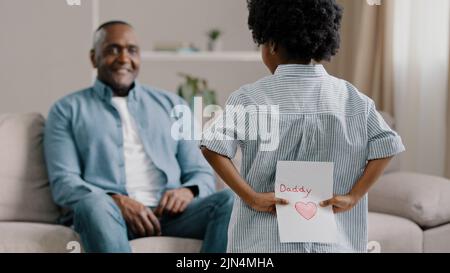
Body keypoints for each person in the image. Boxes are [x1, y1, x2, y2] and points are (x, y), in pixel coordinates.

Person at [200, 0, 405, 253]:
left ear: (271, 44)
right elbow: (388, 145)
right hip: (335, 245)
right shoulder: (353, 99)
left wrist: (251, 197)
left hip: (263, 245)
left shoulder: (249, 98)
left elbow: (211, 145)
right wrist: (354, 196)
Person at [44, 21, 233, 253]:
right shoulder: (66, 109)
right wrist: (118, 201)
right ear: (94, 58)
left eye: (132, 50)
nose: (124, 58)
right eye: (113, 49)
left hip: (172, 216)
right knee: (93, 203)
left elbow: (200, 172)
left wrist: (188, 191)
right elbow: (65, 183)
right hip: (108, 216)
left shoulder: (173, 104)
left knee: (231, 201)